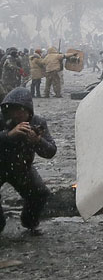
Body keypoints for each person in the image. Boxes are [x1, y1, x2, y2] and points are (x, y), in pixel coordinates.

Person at [0, 87, 56, 235]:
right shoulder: (1, 120)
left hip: (21, 167)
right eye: (13, 110)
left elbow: (50, 151)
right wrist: (8, 135)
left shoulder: (37, 122)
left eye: (21, 111)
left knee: (40, 193)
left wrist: (38, 141)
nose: (18, 115)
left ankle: (30, 222)